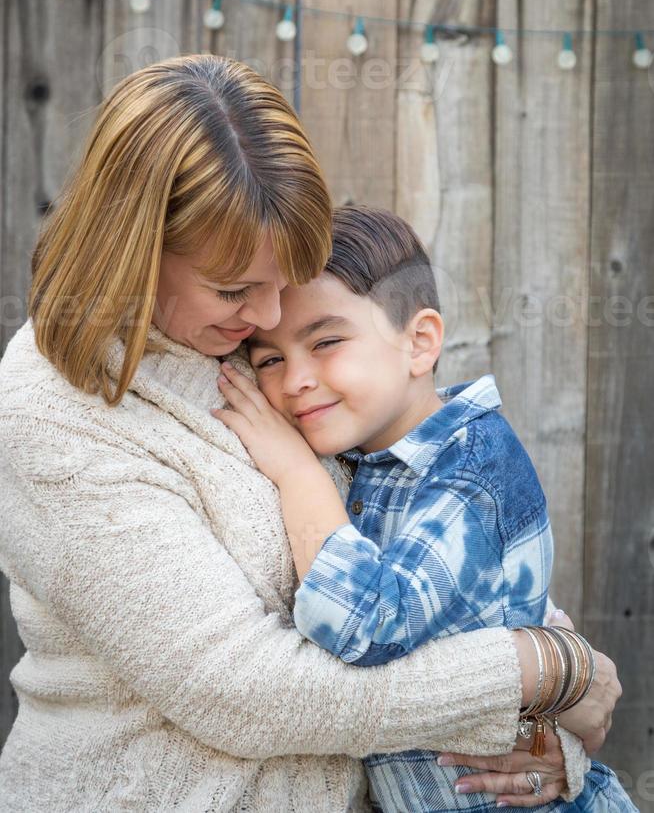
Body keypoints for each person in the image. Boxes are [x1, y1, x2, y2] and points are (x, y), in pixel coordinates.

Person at [0, 55, 620, 812]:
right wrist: (530, 673)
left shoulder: (250, 342)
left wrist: (561, 696)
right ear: (133, 249)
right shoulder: (53, 407)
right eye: (235, 290)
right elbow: (241, 691)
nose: (266, 319)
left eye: (281, 280)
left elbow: (416, 530)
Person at [214, 204, 636, 812]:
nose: (295, 379)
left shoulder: (474, 466)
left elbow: (369, 624)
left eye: (326, 341)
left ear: (419, 342)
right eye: (270, 359)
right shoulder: (363, 460)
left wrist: (295, 471)